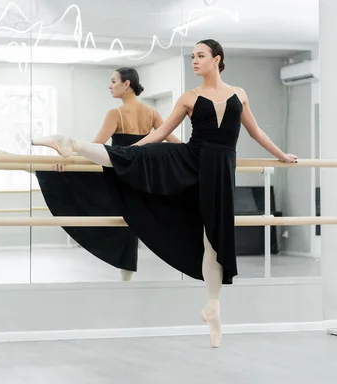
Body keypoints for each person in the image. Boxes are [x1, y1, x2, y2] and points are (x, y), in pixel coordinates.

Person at [31, 39, 298, 348]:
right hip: (190, 158)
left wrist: (281, 154)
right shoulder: (189, 97)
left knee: (214, 239)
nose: (195, 61)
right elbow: (159, 133)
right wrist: (129, 152)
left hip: (220, 170)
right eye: (193, 56)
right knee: (135, 158)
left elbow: (255, 131)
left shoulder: (239, 94)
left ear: (217, 59)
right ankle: (72, 144)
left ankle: (213, 309)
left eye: (200, 56)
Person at [35, 67, 180, 282]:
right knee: (129, 221)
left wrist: (70, 161)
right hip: (140, 177)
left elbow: (96, 146)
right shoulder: (151, 113)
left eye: (113, 81)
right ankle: (126, 279)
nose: (110, 86)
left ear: (127, 84)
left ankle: (36, 157)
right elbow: (174, 142)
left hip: (119, 172)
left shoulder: (116, 113)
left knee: (90, 196)